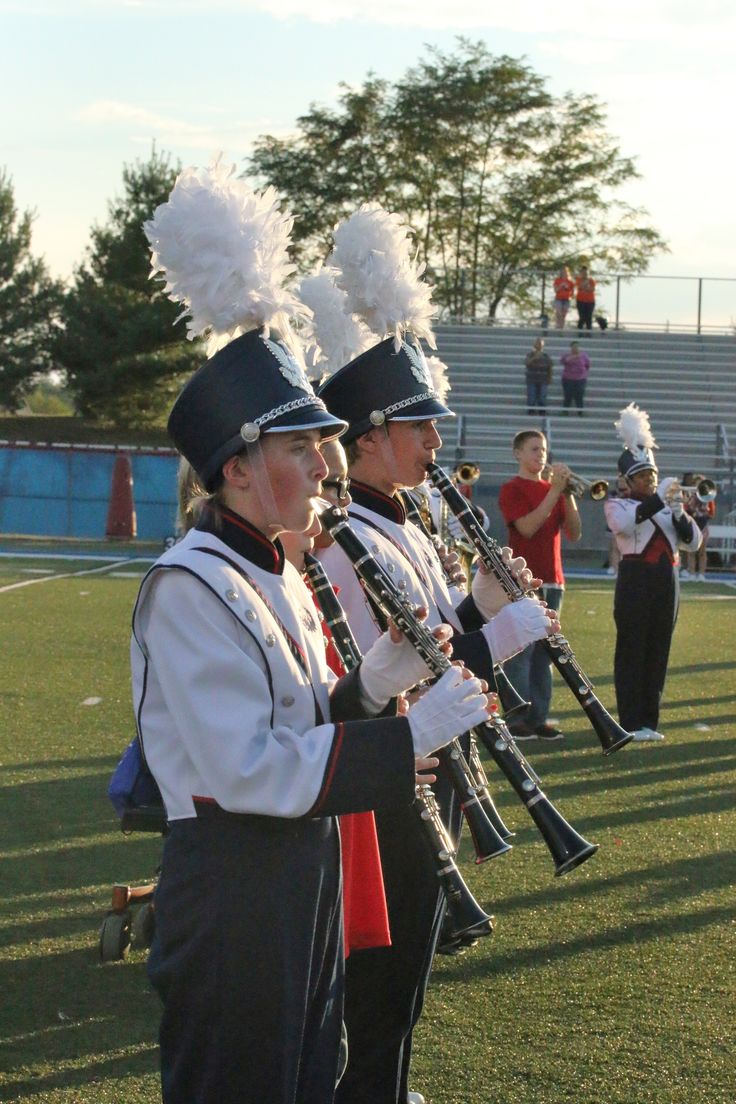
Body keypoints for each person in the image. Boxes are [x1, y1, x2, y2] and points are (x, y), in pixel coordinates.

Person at [135, 163, 491, 1104]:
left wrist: (369, 689)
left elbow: (297, 723)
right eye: (299, 448)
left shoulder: (274, 569)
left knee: (307, 1077)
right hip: (234, 893)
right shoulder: (190, 585)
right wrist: (402, 737)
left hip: (301, 873)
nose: (322, 462)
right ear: (240, 468)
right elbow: (246, 767)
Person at [317, 336, 555, 1104]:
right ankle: (368, 1092)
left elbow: (437, 631)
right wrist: (505, 634)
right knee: (383, 969)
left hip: (430, 760)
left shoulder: (404, 521)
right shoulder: (347, 537)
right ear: (368, 440)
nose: (434, 441)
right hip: (393, 771)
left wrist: (483, 605)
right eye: (418, 427)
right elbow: (391, 672)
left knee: (411, 957)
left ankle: (387, 1088)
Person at [604, 403, 702, 742]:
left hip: (666, 583)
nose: (651, 480)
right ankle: (629, 721)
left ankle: (649, 721)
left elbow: (692, 542)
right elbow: (623, 524)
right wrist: (660, 501)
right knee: (632, 649)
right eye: (644, 477)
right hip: (635, 582)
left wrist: (678, 513)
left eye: (653, 476)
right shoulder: (619, 505)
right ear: (629, 480)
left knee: (658, 649)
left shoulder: (663, 508)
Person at [498, 429, 582, 741]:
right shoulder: (512, 489)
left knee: (546, 655)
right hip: (522, 579)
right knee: (521, 652)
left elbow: (574, 533)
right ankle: (516, 718)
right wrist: (553, 492)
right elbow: (527, 528)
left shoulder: (555, 491)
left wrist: (568, 493)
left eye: (543, 449)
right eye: (534, 449)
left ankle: (538, 718)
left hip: (554, 580)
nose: (541, 455)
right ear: (518, 453)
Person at [681, 473, 715, 581]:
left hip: (703, 525)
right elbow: (686, 509)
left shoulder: (708, 497)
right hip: (693, 524)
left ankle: (701, 573)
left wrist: (704, 512)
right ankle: (691, 572)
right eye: (697, 484)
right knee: (691, 550)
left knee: (702, 551)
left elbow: (712, 512)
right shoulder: (690, 496)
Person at [560, 340, 590, 415]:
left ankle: (580, 412)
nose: (575, 348)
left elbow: (587, 365)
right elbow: (564, 361)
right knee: (567, 395)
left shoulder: (584, 356)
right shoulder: (567, 355)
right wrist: (573, 357)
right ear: (571, 348)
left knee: (579, 395)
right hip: (568, 379)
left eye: (577, 347)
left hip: (580, 379)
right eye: (574, 347)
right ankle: (565, 411)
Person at [524, 336, 553, 416]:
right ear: (534, 345)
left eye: (540, 343)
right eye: (537, 343)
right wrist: (534, 358)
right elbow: (526, 363)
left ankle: (542, 410)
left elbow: (550, 367)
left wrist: (550, 378)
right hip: (532, 379)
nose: (539, 345)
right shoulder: (530, 354)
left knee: (542, 395)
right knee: (531, 395)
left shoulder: (546, 356)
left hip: (543, 379)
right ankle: (531, 410)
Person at [574, 265, 596, 330]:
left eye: (586, 273)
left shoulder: (591, 280)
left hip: (590, 301)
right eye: (583, 273)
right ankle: (579, 331)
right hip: (581, 300)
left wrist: (586, 287)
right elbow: (580, 287)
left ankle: (589, 332)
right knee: (582, 317)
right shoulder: (578, 280)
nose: (585, 274)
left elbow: (592, 289)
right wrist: (585, 285)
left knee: (589, 317)